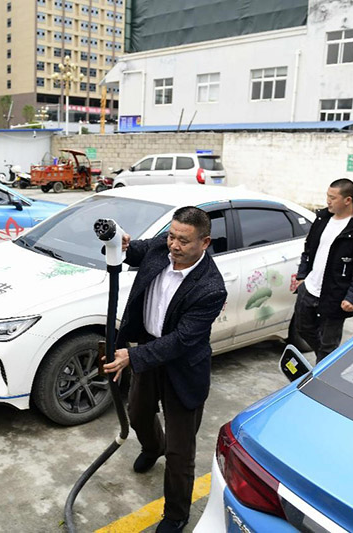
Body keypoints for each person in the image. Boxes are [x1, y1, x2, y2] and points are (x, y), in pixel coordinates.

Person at [103, 206, 227, 533]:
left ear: (204, 242)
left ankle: (176, 514)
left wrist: (133, 356)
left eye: (183, 241)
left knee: (180, 450)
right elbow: (137, 250)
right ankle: (152, 447)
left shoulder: (211, 287)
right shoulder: (163, 246)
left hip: (183, 367)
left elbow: (182, 340)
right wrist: (122, 243)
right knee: (138, 413)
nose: (174, 245)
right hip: (148, 351)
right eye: (171, 236)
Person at [293, 178, 353, 363]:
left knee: (328, 344)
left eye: (333, 198)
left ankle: (322, 371)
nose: (328, 201)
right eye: (327, 196)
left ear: (348, 200)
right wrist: (302, 276)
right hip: (309, 288)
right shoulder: (322, 219)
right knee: (302, 329)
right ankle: (329, 362)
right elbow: (308, 250)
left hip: (336, 295)